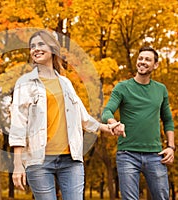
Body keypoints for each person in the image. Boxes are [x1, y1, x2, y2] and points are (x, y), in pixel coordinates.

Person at [9, 30, 125, 200]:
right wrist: (17, 164)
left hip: (71, 160)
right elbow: (18, 124)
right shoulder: (24, 83)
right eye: (32, 46)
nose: (36, 49)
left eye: (41, 44)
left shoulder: (66, 83)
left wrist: (107, 128)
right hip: (39, 161)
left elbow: (82, 117)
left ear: (53, 48)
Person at [102, 46, 175, 199]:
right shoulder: (122, 87)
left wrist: (171, 147)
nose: (142, 62)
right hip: (127, 154)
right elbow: (107, 111)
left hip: (156, 154)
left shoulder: (160, 89)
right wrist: (113, 122)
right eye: (140, 58)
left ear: (155, 65)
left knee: (162, 197)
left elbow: (167, 120)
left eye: (147, 59)